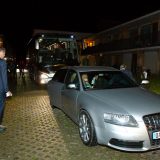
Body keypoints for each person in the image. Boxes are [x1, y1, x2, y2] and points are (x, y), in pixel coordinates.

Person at [0, 47, 12, 133]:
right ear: (2, 53)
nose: (4, 55)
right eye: (4, 53)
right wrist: (7, 90)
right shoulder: (2, 62)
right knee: (0, 108)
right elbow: (4, 77)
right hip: (0, 90)